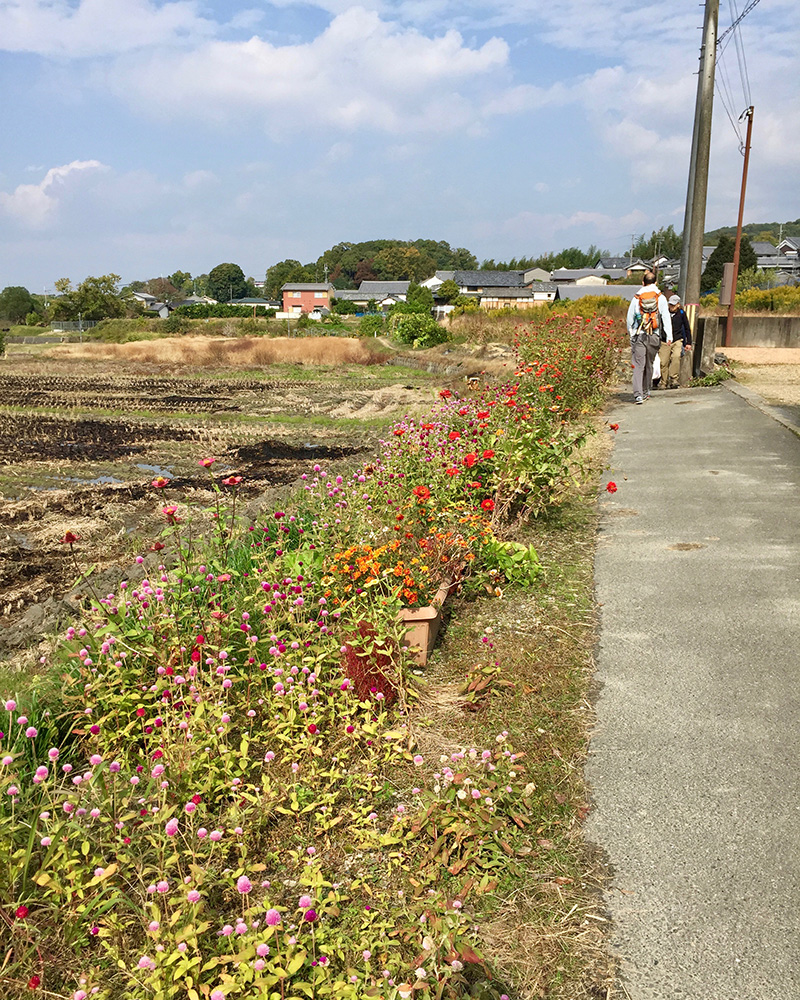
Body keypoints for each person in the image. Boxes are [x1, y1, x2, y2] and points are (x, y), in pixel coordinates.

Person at [626, 271, 671, 404]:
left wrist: (631, 333)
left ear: (643, 283)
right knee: (649, 364)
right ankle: (646, 391)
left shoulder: (636, 298)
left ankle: (638, 395)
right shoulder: (660, 297)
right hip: (654, 335)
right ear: (656, 282)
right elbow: (665, 317)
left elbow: (630, 318)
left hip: (639, 335)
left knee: (638, 365)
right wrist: (669, 336)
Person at [658, 294, 692, 389]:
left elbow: (687, 328)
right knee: (663, 361)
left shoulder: (681, 313)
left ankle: (674, 379)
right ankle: (663, 382)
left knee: (676, 356)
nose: (671, 307)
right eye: (670, 305)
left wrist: (688, 342)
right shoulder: (664, 313)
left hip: (677, 339)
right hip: (665, 341)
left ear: (678, 304)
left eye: (673, 305)